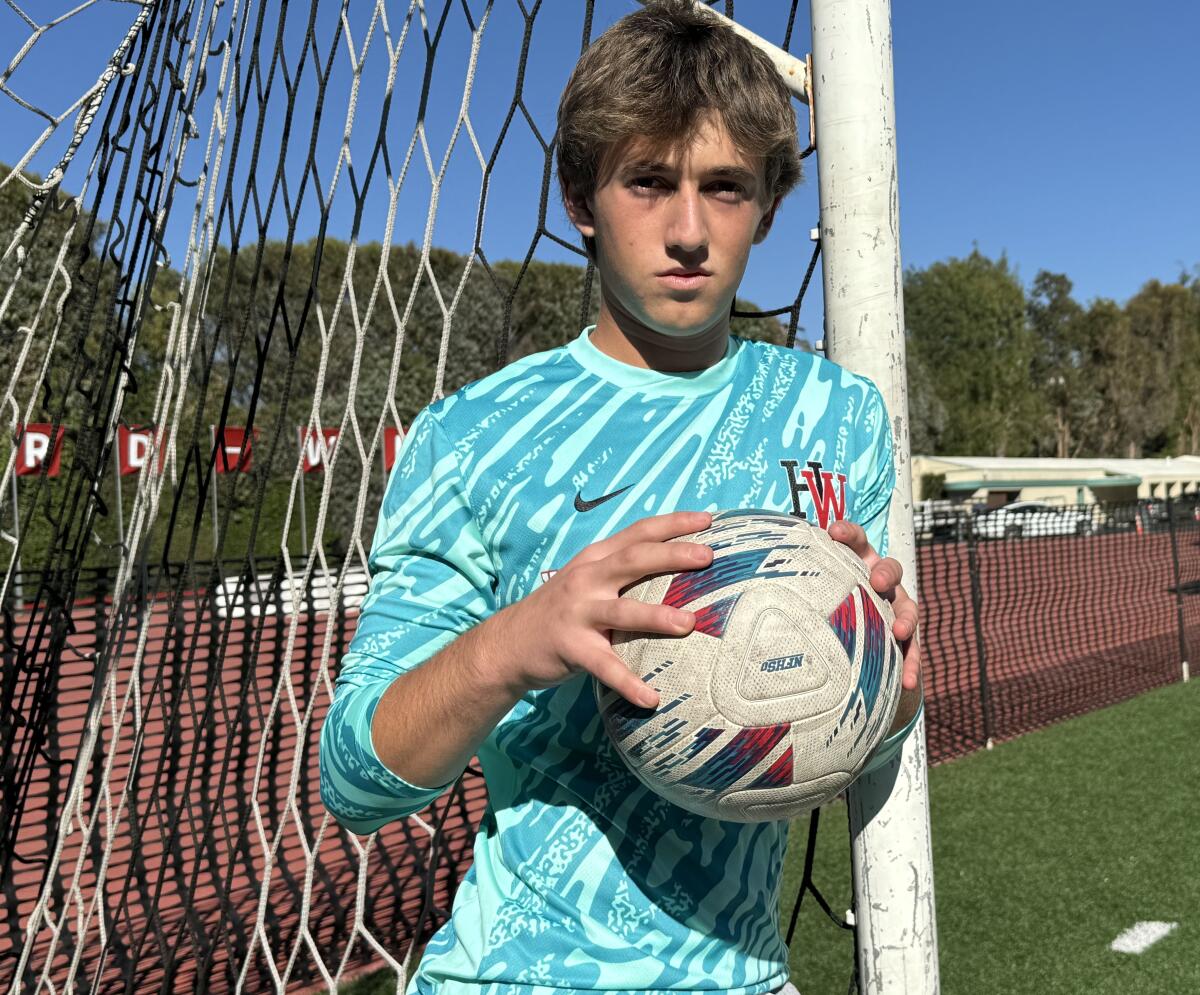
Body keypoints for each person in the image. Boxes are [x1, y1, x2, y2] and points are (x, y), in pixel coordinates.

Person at [319, 2, 922, 992]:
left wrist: (882, 683)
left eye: (725, 188)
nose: (688, 230)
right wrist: (516, 642)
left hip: (743, 974)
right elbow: (354, 779)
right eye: (650, 180)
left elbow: (867, 731)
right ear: (581, 197)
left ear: (769, 205)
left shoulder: (833, 412)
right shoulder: (478, 433)